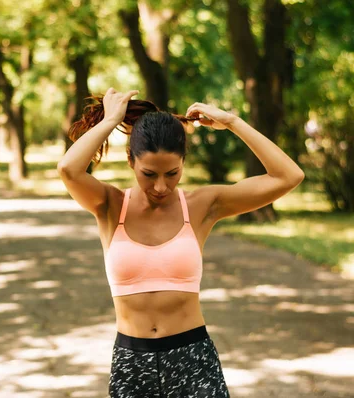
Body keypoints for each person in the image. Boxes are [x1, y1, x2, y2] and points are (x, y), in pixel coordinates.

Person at [57, 88, 305, 397]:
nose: (161, 186)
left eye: (172, 173)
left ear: (183, 162)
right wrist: (111, 120)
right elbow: (68, 169)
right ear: (131, 160)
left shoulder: (202, 205)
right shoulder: (110, 204)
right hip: (132, 365)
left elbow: (288, 176)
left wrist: (232, 121)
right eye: (149, 174)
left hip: (193, 360)